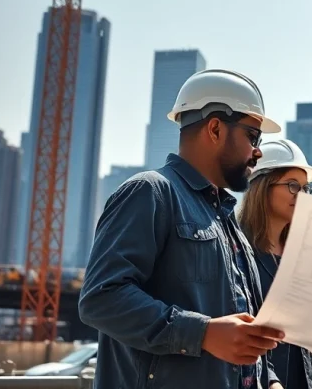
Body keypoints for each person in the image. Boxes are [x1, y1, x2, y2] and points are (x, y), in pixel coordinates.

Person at [79, 69, 287, 389]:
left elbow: (241, 330)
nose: (258, 152)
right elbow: (101, 298)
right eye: (253, 137)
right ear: (215, 128)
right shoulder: (150, 193)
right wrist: (202, 333)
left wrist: (268, 380)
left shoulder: (228, 222)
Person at [236, 139, 312, 389]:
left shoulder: (301, 254)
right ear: (263, 187)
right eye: (293, 185)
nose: (301, 195)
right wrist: (271, 381)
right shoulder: (237, 252)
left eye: (305, 188)